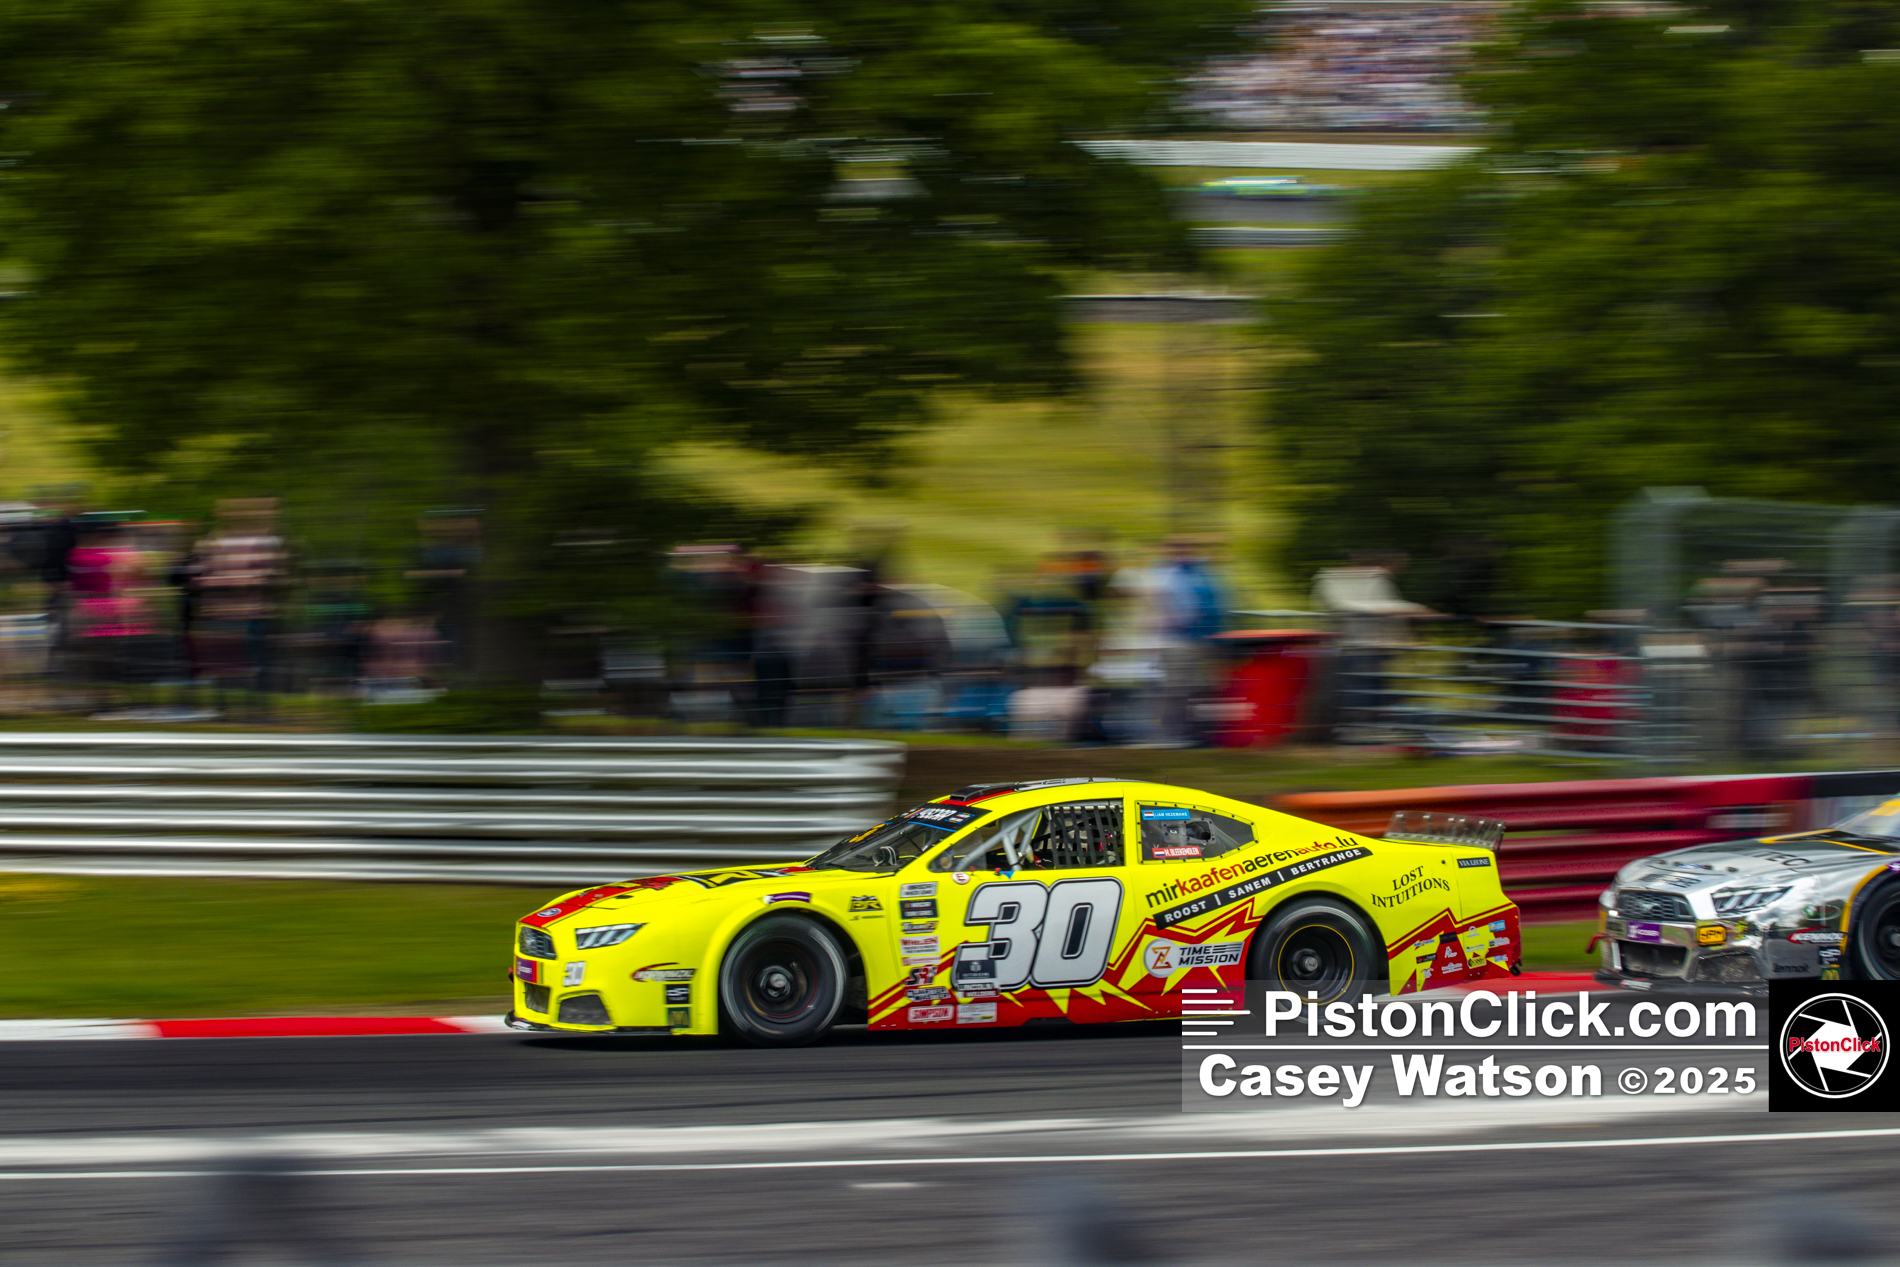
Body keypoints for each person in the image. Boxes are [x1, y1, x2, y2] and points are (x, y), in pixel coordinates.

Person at [1310, 551, 1436, 739]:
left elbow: (1385, 609)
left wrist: (1401, 637)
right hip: (1352, 650)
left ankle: (1369, 730)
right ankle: (1356, 732)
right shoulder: (1335, 582)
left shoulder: (1373, 580)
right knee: (1358, 693)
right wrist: (1414, 611)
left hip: (1373, 650)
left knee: (1371, 691)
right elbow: (1356, 606)